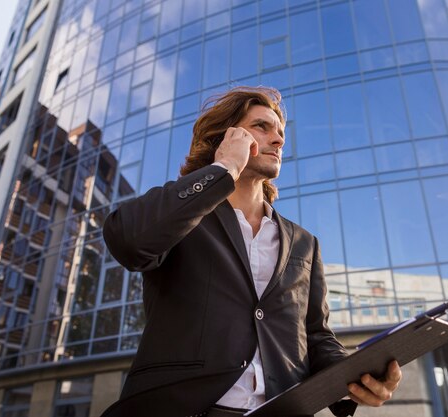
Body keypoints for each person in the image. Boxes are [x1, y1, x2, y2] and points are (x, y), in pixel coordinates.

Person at [101, 86, 401, 417]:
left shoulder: (304, 243)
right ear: (225, 137)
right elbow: (127, 241)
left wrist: (355, 375)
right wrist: (224, 167)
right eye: (262, 126)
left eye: (281, 132)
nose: (279, 140)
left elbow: (316, 337)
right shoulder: (183, 216)